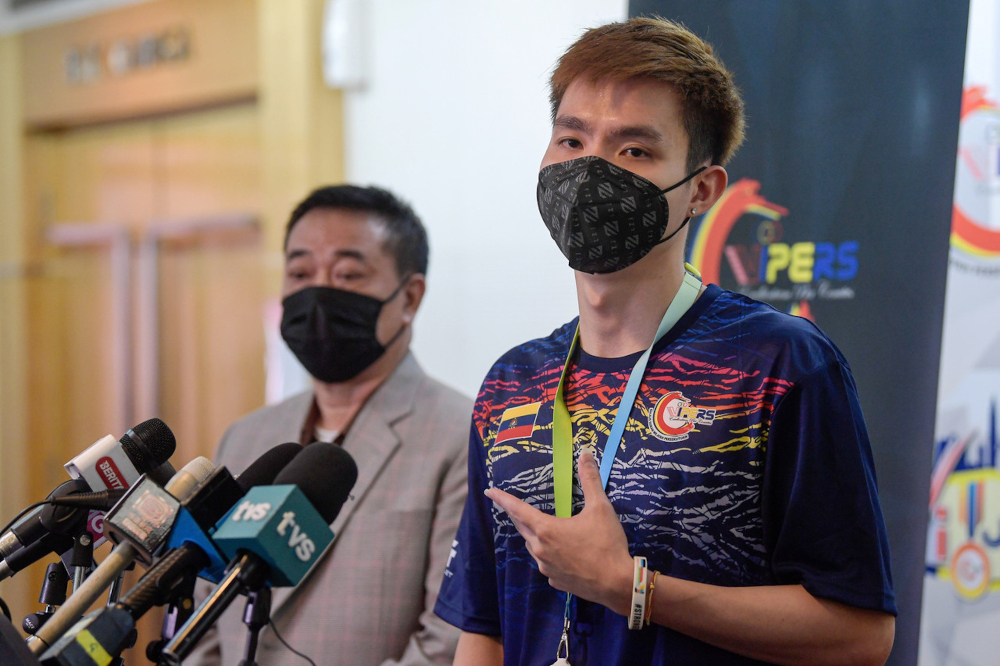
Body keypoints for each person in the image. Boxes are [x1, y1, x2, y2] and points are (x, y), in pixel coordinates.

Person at [434, 17, 896, 666]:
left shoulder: (780, 365)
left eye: (634, 151)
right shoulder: (514, 382)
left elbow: (861, 634)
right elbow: (483, 627)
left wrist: (633, 590)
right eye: (570, 139)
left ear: (701, 190)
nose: (590, 168)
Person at [187, 185, 470, 665]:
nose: (318, 292)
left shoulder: (462, 435)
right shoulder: (246, 435)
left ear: (409, 297)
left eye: (348, 274)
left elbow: (449, 639)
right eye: (300, 272)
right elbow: (203, 617)